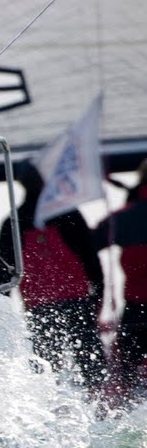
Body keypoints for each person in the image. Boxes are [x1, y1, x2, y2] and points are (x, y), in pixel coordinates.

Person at [0, 165, 106, 390]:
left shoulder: (12, 221)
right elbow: (90, 257)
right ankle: (99, 406)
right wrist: (100, 292)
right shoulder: (68, 213)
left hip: (37, 303)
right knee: (90, 361)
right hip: (76, 299)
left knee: (46, 366)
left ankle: (52, 408)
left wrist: (2, 303)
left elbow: (3, 271)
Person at [96, 165, 147, 396]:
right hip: (135, 308)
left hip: (137, 309)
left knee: (125, 380)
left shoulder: (125, 218)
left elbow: (91, 242)